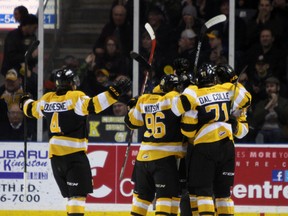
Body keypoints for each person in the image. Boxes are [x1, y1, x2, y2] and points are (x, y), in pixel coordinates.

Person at [19, 68, 131, 216]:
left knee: (72, 197)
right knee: (77, 197)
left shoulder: (47, 98)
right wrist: (114, 92)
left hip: (55, 159)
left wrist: (24, 100)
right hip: (74, 157)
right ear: (71, 83)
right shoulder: (75, 97)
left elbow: (30, 109)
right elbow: (94, 105)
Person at [172, 63, 251, 215]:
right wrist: (233, 80)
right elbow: (247, 99)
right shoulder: (227, 89)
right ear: (215, 79)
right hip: (227, 146)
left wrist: (189, 88)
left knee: (203, 193)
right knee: (223, 194)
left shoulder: (195, 94)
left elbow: (188, 130)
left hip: (204, 147)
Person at [125, 74, 186, 216]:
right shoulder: (172, 99)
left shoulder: (145, 99)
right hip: (164, 158)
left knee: (141, 199)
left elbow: (131, 123)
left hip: (142, 158)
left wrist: (133, 105)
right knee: (164, 198)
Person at [253, 76, 288, 143]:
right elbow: (256, 119)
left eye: (272, 86)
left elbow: (285, 118)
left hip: (279, 130)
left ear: (278, 88)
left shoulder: (285, 102)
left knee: (277, 133)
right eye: (267, 87)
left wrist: (276, 105)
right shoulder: (262, 103)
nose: (269, 89)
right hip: (263, 130)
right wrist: (268, 105)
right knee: (260, 136)